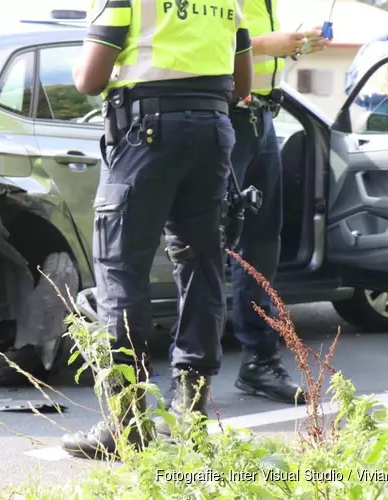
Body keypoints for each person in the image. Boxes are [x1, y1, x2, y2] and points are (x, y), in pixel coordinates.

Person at [60, 0, 253, 459]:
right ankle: (191, 417)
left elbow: (89, 80)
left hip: (144, 132)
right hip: (213, 130)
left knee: (121, 272)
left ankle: (126, 427)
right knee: (202, 268)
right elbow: (242, 84)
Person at [224, 1, 328, 405]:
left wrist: (294, 45)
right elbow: (214, 50)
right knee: (205, 243)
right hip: (226, 116)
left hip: (262, 116)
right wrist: (269, 44)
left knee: (261, 247)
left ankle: (259, 362)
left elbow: (257, 54)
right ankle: (192, 378)